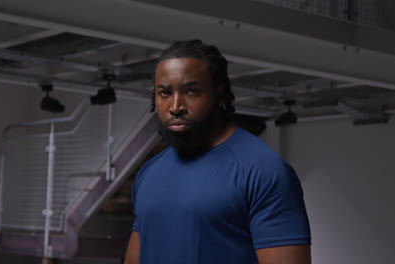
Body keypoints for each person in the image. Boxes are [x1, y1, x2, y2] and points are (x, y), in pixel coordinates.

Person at [124, 40, 311, 264]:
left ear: (219, 93)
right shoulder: (149, 173)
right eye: (164, 93)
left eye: (191, 91)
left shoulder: (264, 170)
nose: (175, 106)